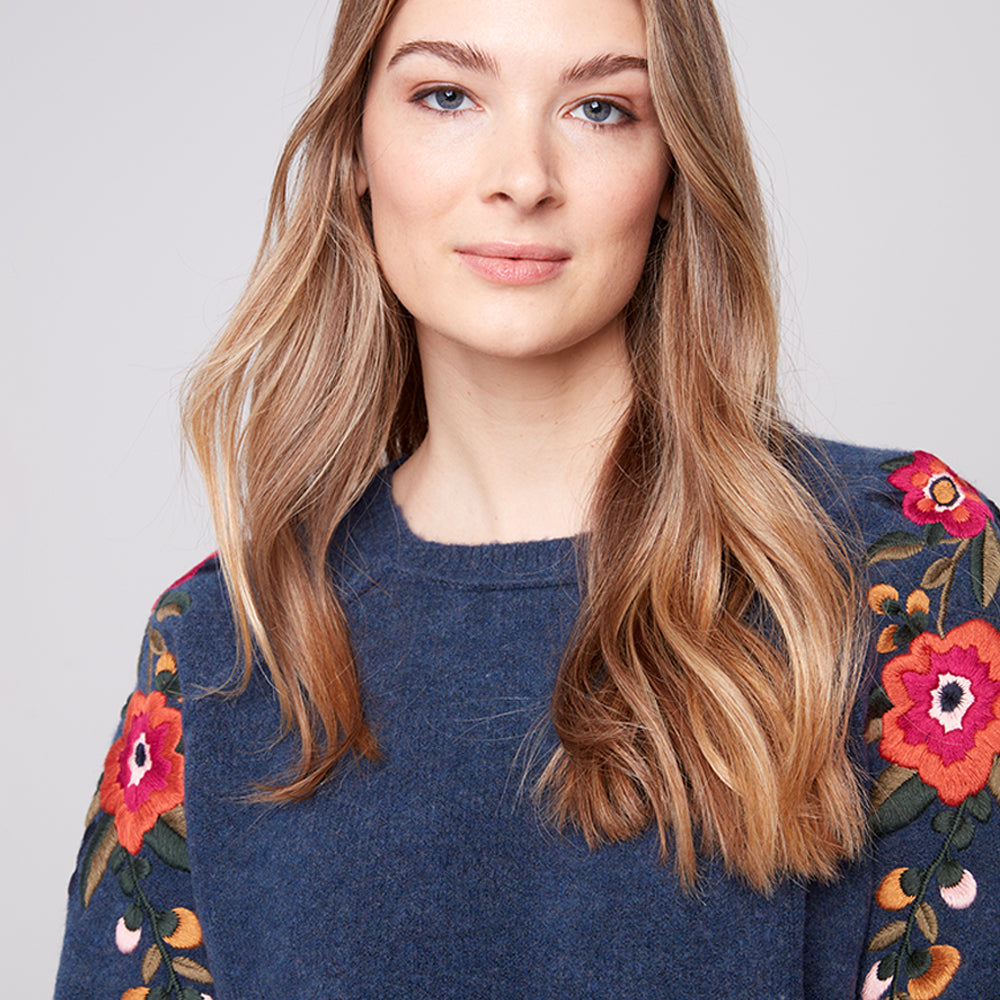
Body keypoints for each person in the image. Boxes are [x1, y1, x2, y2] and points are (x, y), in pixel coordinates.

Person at [55, 0, 1000, 997]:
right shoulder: (219, 648)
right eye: (447, 95)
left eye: (600, 109)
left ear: (675, 164)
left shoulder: (910, 572)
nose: (523, 179)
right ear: (354, 151)